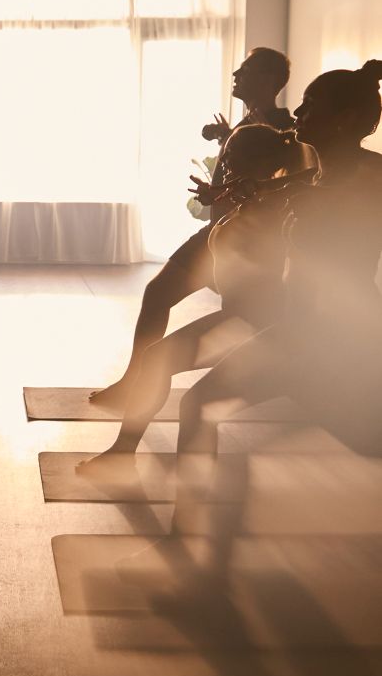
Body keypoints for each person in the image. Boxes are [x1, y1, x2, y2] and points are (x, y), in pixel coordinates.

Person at [170, 61, 382, 530]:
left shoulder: (370, 177)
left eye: (311, 106)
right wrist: (258, 186)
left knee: (364, 441)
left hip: (340, 339)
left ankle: (185, 543)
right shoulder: (319, 176)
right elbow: (308, 182)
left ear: (345, 120)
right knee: (197, 406)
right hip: (294, 332)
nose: (299, 114)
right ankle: (183, 541)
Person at [76, 123, 308, 485]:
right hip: (238, 317)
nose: (226, 166)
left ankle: (138, 463)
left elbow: (311, 180)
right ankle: (124, 454)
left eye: (234, 158)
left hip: (257, 325)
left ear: (263, 162)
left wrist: (264, 187)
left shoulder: (280, 207)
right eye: (227, 157)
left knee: (173, 380)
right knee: (158, 362)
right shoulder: (246, 202)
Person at [90, 48, 297, 409]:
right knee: (157, 294)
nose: (235, 74)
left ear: (267, 80)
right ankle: (132, 380)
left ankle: (200, 390)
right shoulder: (248, 122)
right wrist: (228, 138)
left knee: (236, 318)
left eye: (245, 70)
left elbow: (280, 180)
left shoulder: (285, 127)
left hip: (245, 239)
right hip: (216, 231)